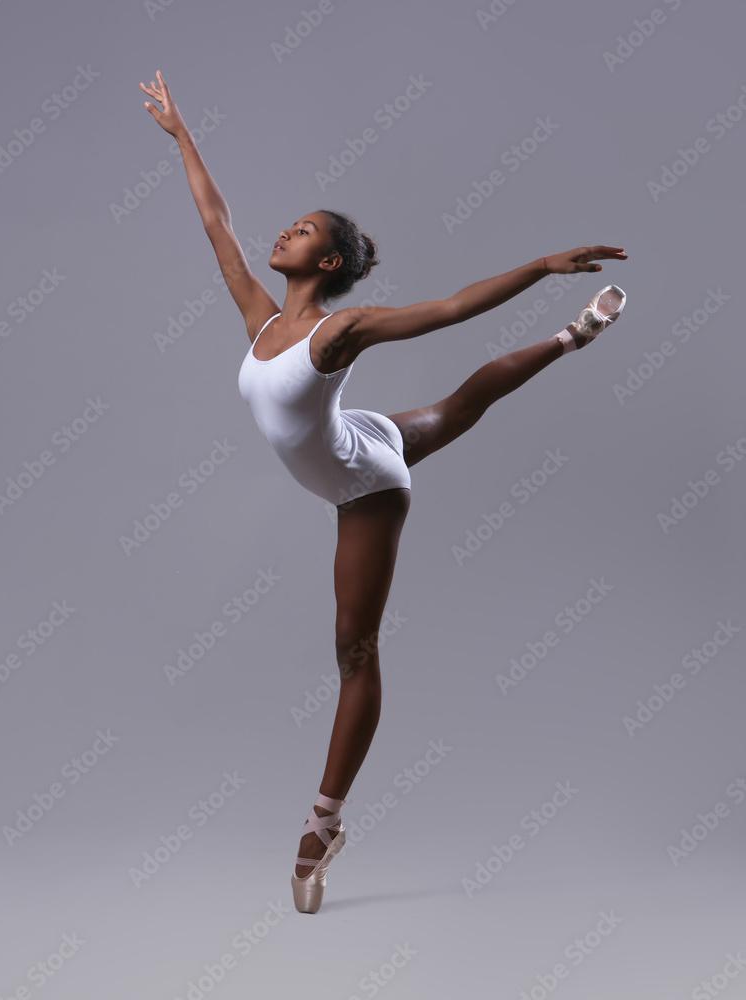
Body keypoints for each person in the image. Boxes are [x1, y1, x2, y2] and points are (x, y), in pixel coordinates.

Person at [140, 70, 628, 914]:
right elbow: (213, 221)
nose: (282, 230)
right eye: (288, 222)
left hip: (362, 485)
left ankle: (323, 823)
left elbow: (447, 308)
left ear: (325, 262)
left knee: (353, 654)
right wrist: (184, 136)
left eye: (301, 230)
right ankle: (573, 338)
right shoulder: (261, 317)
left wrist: (539, 265)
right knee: (455, 408)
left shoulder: (341, 329)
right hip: (356, 435)